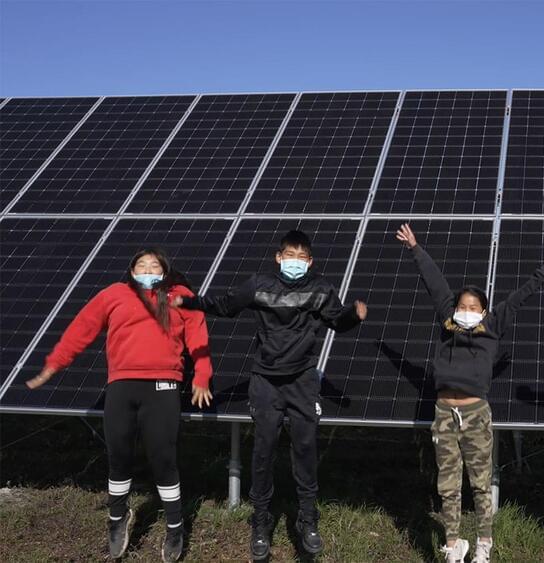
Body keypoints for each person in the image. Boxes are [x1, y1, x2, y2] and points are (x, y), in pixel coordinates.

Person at [173, 230, 366, 560]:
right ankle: (260, 522)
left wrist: (353, 315)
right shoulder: (259, 285)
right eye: (290, 255)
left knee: (305, 448)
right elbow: (225, 305)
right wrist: (190, 301)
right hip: (265, 381)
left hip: (302, 381)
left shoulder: (320, 289)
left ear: (310, 262)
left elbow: (337, 320)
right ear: (278, 257)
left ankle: (308, 519)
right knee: (263, 451)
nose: (295, 262)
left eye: (301, 257)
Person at [27, 248, 213, 562]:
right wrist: (53, 364)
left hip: (163, 386)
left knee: (163, 459)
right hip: (121, 386)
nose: (148, 269)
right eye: (141, 265)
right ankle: (117, 517)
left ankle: (175, 526)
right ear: (131, 270)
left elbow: (198, 336)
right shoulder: (114, 294)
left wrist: (203, 375)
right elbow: (82, 329)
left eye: (154, 265)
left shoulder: (180, 296)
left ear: (165, 271)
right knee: (119, 455)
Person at [395, 223, 544, 563]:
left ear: (483, 312)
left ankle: (483, 544)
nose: (467, 310)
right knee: (447, 484)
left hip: (475, 415)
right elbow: (434, 282)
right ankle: (453, 545)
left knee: (480, 483)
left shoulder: (492, 326)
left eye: (474, 306)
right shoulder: (448, 323)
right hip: (444, 413)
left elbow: (518, 298)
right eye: (463, 305)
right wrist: (415, 248)